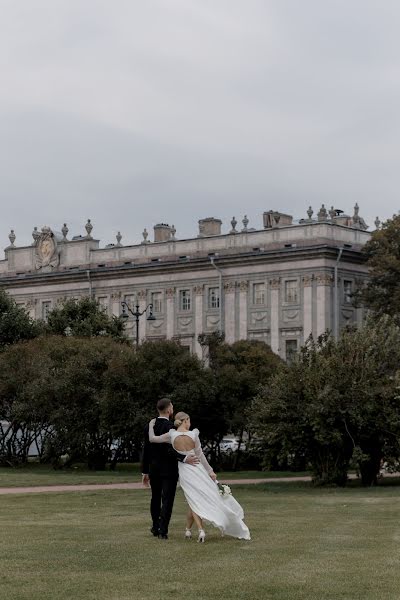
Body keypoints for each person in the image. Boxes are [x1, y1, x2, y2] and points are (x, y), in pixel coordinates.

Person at [148, 411, 251, 543]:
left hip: (185, 471)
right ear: (185, 421)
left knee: (193, 500)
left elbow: (152, 439)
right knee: (202, 497)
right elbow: (200, 456)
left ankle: (196, 530)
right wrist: (210, 471)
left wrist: (151, 425)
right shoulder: (193, 434)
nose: (190, 424)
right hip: (198, 469)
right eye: (189, 421)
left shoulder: (172, 434)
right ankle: (196, 529)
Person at [141, 398, 199, 540]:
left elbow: (146, 450)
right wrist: (184, 458)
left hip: (154, 469)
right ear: (168, 410)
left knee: (155, 498)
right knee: (167, 499)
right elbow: (170, 450)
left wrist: (145, 471)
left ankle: (155, 526)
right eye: (172, 407)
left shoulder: (150, 425)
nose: (173, 409)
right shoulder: (170, 428)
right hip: (169, 470)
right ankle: (163, 530)